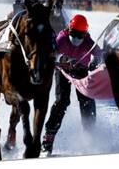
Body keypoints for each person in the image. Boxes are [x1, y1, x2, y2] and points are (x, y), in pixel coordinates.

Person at [42, 14, 103, 154]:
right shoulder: (62, 38)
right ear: (69, 29)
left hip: (81, 71)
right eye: (74, 33)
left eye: (80, 35)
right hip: (63, 71)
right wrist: (62, 58)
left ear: (85, 33)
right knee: (62, 101)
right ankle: (48, 137)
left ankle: (90, 134)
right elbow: (52, 53)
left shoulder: (88, 42)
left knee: (87, 100)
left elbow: (100, 53)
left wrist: (97, 60)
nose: (76, 38)